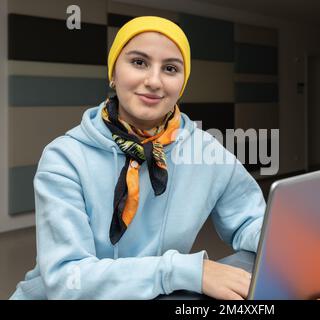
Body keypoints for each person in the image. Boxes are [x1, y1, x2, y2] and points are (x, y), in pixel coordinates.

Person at [10, 16, 265, 300]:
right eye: (139, 62)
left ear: (181, 84)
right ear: (113, 73)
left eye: (170, 68)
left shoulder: (206, 151)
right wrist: (186, 272)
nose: (154, 81)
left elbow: (252, 221)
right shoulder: (64, 158)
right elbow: (67, 279)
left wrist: (297, 243)